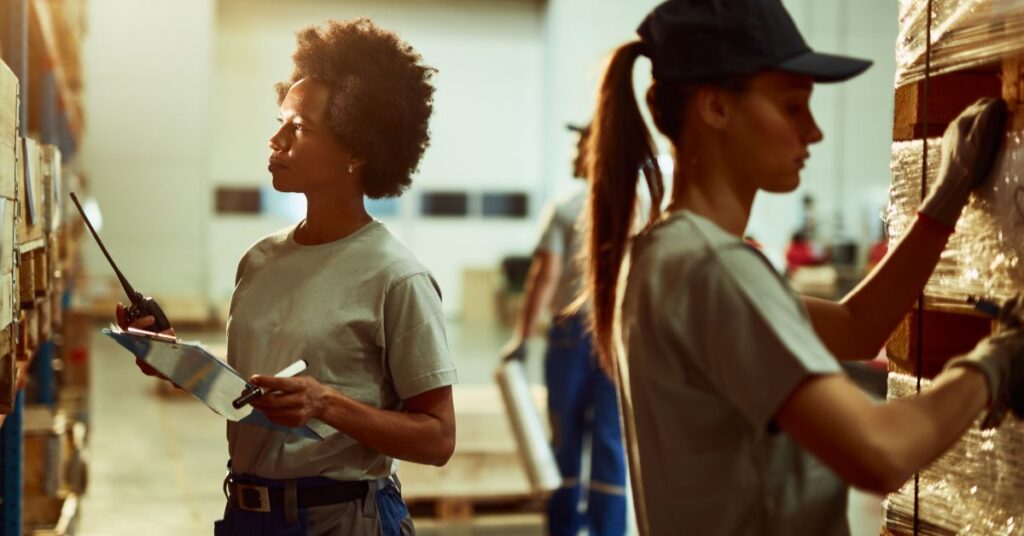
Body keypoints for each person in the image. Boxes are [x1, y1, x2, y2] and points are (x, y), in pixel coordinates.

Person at [581, 0, 1024, 534]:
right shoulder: (713, 269)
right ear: (715, 107)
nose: (813, 131)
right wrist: (999, 360)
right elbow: (879, 452)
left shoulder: (663, 256)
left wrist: (941, 203)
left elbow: (857, 329)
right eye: (793, 108)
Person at [117, 18, 457, 535]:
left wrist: (327, 404)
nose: (275, 140)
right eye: (280, 122)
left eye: (298, 128)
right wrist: (171, 358)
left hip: (342, 519)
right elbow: (246, 399)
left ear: (356, 148)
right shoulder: (259, 261)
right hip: (246, 514)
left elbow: (437, 439)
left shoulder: (397, 277)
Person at [501, 124, 628, 536]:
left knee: (566, 438)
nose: (575, 154)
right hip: (619, 336)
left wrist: (521, 338)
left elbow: (545, 274)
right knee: (611, 440)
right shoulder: (638, 205)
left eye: (580, 147)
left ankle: (565, 529)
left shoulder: (567, 206)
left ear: (598, 152)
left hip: (573, 333)